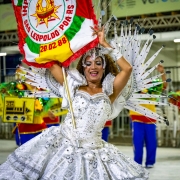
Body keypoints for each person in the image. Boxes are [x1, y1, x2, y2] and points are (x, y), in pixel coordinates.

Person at [0, 26, 150, 179]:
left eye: (98, 63)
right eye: (88, 63)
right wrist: (59, 39)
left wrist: (104, 44)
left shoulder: (110, 91)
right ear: (83, 67)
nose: (93, 66)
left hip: (96, 152)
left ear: (104, 68)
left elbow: (127, 69)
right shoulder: (72, 86)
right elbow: (52, 64)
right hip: (63, 148)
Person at [129, 64, 168, 168]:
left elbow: (164, 86)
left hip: (150, 117)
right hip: (136, 117)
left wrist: (162, 72)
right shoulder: (132, 84)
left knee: (151, 141)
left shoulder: (152, 83)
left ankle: (150, 162)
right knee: (138, 142)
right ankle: (137, 163)